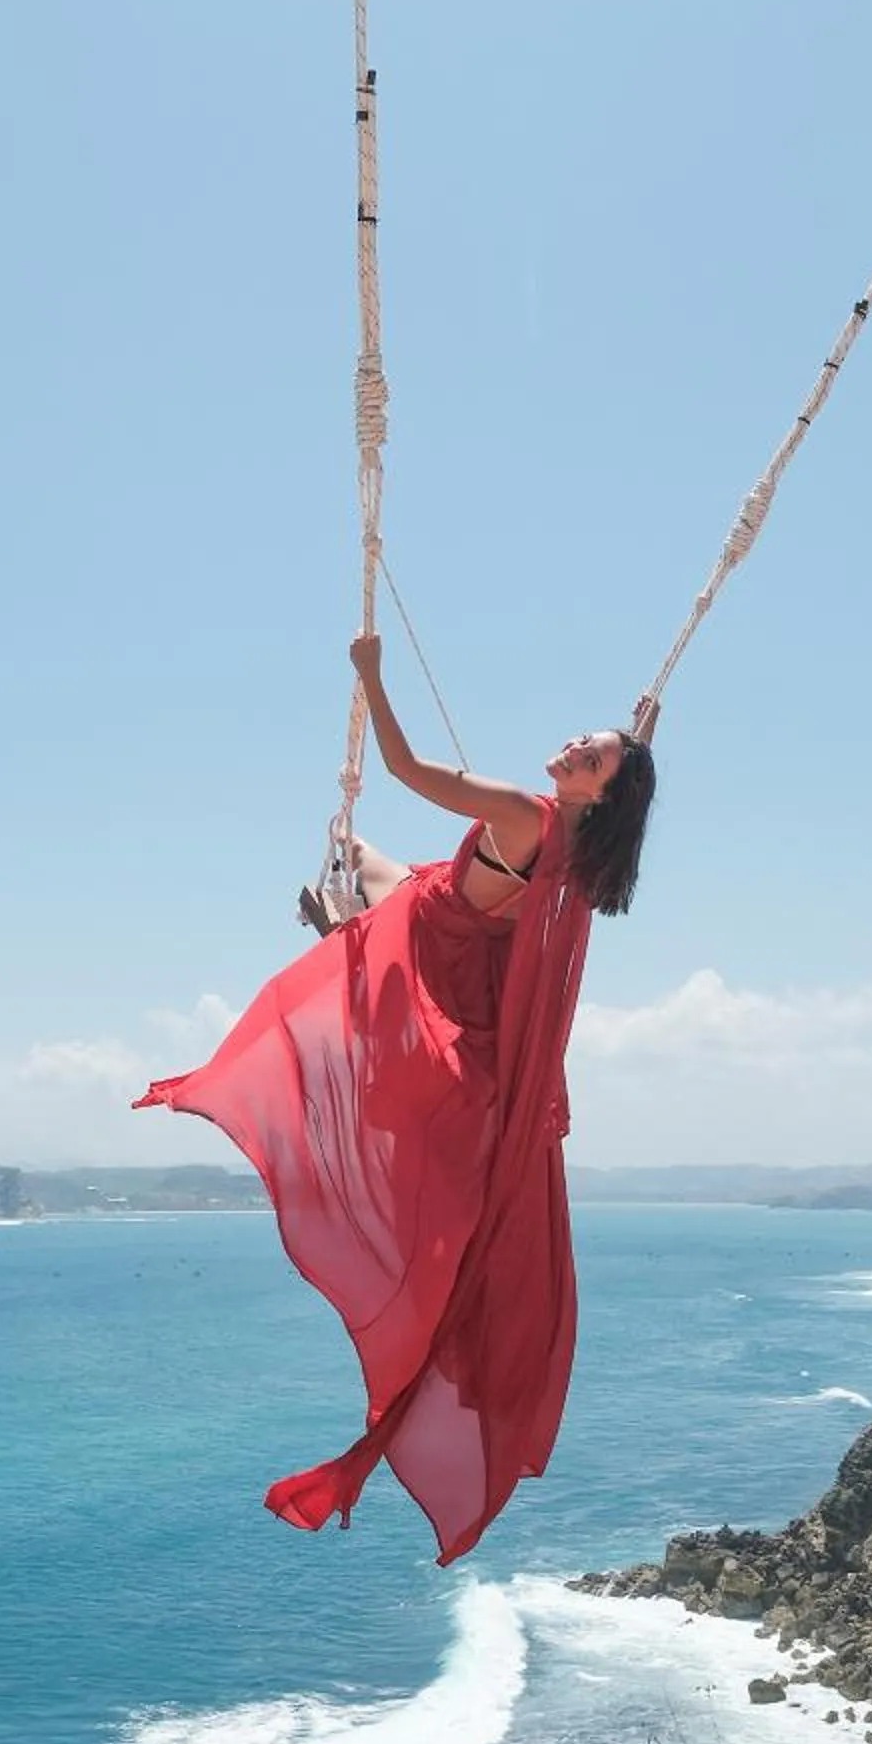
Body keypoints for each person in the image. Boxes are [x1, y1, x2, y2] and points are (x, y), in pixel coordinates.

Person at [136, 633, 658, 1564]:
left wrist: (372, 674)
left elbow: (408, 767)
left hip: (435, 941)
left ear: (594, 793)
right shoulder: (585, 841)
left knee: (351, 873)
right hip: (451, 914)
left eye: (590, 759)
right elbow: (618, 781)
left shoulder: (527, 812)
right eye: (583, 741)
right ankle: (344, 913)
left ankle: (346, 925)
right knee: (354, 855)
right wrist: (638, 740)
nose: (573, 750)